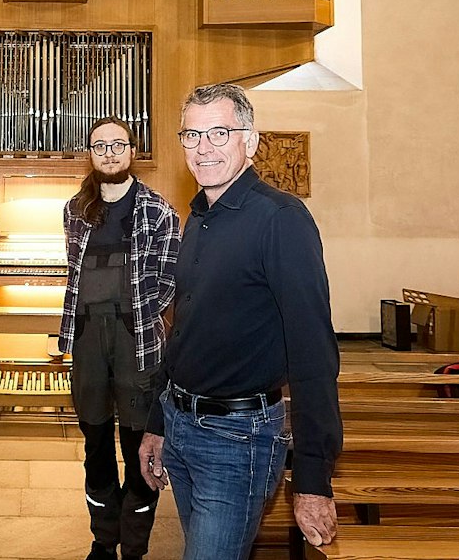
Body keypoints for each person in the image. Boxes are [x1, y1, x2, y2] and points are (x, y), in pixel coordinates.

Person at [139, 82, 341, 558]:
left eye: (219, 133)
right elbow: (184, 330)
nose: (203, 147)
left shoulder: (281, 219)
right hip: (181, 424)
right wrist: (158, 422)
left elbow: (314, 354)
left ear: (250, 141)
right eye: (191, 135)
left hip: (238, 439)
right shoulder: (199, 216)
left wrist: (313, 479)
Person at [60, 117, 180, 560]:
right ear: (89, 154)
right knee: (95, 447)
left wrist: (136, 315)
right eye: (99, 146)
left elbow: (169, 281)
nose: (108, 152)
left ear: (133, 151)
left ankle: (134, 546)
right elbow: (74, 276)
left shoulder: (157, 210)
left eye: (117, 144)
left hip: (138, 344)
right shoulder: (75, 209)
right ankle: (103, 540)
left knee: (138, 450)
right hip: (89, 341)